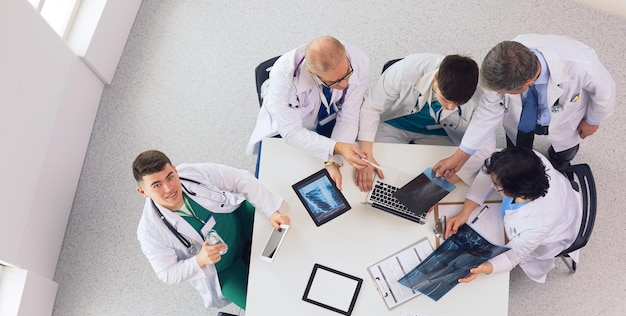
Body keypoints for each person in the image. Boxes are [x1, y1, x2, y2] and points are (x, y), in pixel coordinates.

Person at [434, 34, 616, 179]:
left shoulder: (581, 65)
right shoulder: (506, 61)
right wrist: (460, 156)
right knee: (517, 149)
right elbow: (486, 113)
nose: (498, 95)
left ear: (527, 83)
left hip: (566, 117)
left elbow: (605, 92)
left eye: (503, 92)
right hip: (522, 119)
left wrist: (593, 120)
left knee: (565, 151)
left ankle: (558, 165)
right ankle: (520, 162)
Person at [133, 150, 290, 309]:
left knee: (290, 226)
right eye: (157, 185)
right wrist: (199, 260)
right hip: (224, 270)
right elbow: (167, 273)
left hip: (241, 223)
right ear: (143, 192)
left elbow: (239, 178)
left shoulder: (192, 174)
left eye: (170, 176)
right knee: (262, 310)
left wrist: (272, 211)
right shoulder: (149, 232)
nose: (168, 188)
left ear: (175, 170)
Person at [247, 36, 370, 189]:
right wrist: (337, 147)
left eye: (347, 74)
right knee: (281, 182)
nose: (345, 84)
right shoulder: (285, 76)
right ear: (312, 73)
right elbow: (291, 132)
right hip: (289, 124)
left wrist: (333, 161)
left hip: (328, 116)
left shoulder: (358, 60)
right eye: (334, 82)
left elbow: (349, 116)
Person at [445, 146, 582, 283]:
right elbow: (490, 172)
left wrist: (484, 268)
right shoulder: (528, 160)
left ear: (516, 191)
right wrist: (465, 212)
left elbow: (512, 257)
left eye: (497, 186)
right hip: (563, 196)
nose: (492, 186)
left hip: (558, 230)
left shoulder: (537, 224)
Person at [356, 53, 483, 191]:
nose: (451, 108)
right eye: (445, 100)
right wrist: (366, 157)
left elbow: (483, 141)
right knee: (380, 172)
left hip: (440, 133)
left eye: (458, 104)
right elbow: (371, 107)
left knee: (441, 173)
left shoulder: (479, 98)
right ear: (436, 78)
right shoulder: (404, 72)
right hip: (395, 124)